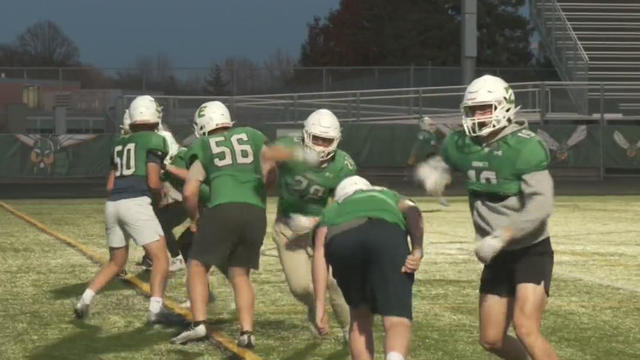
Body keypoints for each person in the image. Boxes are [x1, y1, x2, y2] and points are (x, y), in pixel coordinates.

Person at [419, 74, 558, 360]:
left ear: (504, 107)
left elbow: (541, 205)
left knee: (526, 328)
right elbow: (446, 159)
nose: (478, 116)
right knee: (491, 339)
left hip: (529, 250)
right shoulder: (463, 143)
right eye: (473, 110)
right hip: (498, 256)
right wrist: (437, 170)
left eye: (485, 108)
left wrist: (502, 235)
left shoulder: (524, 147)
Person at [170, 101, 318, 347]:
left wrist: (195, 219)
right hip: (255, 213)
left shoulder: (205, 145)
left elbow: (189, 191)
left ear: (202, 126)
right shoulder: (252, 135)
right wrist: (260, 192)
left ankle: (198, 324)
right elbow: (270, 170)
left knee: (197, 265)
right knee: (240, 274)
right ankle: (247, 332)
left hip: (221, 209)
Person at [74, 95, 172, 324]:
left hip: (113, 205)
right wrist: (158, 198)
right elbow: (154, 182)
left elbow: (110, 185)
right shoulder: (155, 140)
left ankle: (84, 299)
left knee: (116, 262)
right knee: (161, 258)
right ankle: (156, 310)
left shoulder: (119, 142)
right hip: (136, 203)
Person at [313, 176, 424, 360]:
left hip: (342, 240)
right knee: (396, 319)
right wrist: (417, 250)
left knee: (359, 319)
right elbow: (413, 211)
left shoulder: (333, 208)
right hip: (385, 233)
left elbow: (319, 252)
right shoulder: (388, 195)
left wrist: (320, 305)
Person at [271, 108, 356, 340]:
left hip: (324, 229)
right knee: (301, 287)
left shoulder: (343, 165)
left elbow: (345, 203)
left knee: (334, 282)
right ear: (306, 135)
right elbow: (267, 157)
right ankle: (314, 308)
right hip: (288, 229)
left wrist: (319, 219)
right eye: (316, 138)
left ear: (336, 140)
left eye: (326, 140)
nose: (320, 145)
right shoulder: (290, 147)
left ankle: (350, 329)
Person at [408, 116, 448, 206]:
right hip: (426, 162)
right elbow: (417, 147)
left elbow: (435, 147)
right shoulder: (423, 134)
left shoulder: (431, 134)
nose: (432, 126)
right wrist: (413, 157)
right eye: (429, 124)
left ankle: (440, 197)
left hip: (433, 160)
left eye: (432, 124)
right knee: (431, 184)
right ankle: (440, 198)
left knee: (438, 181)